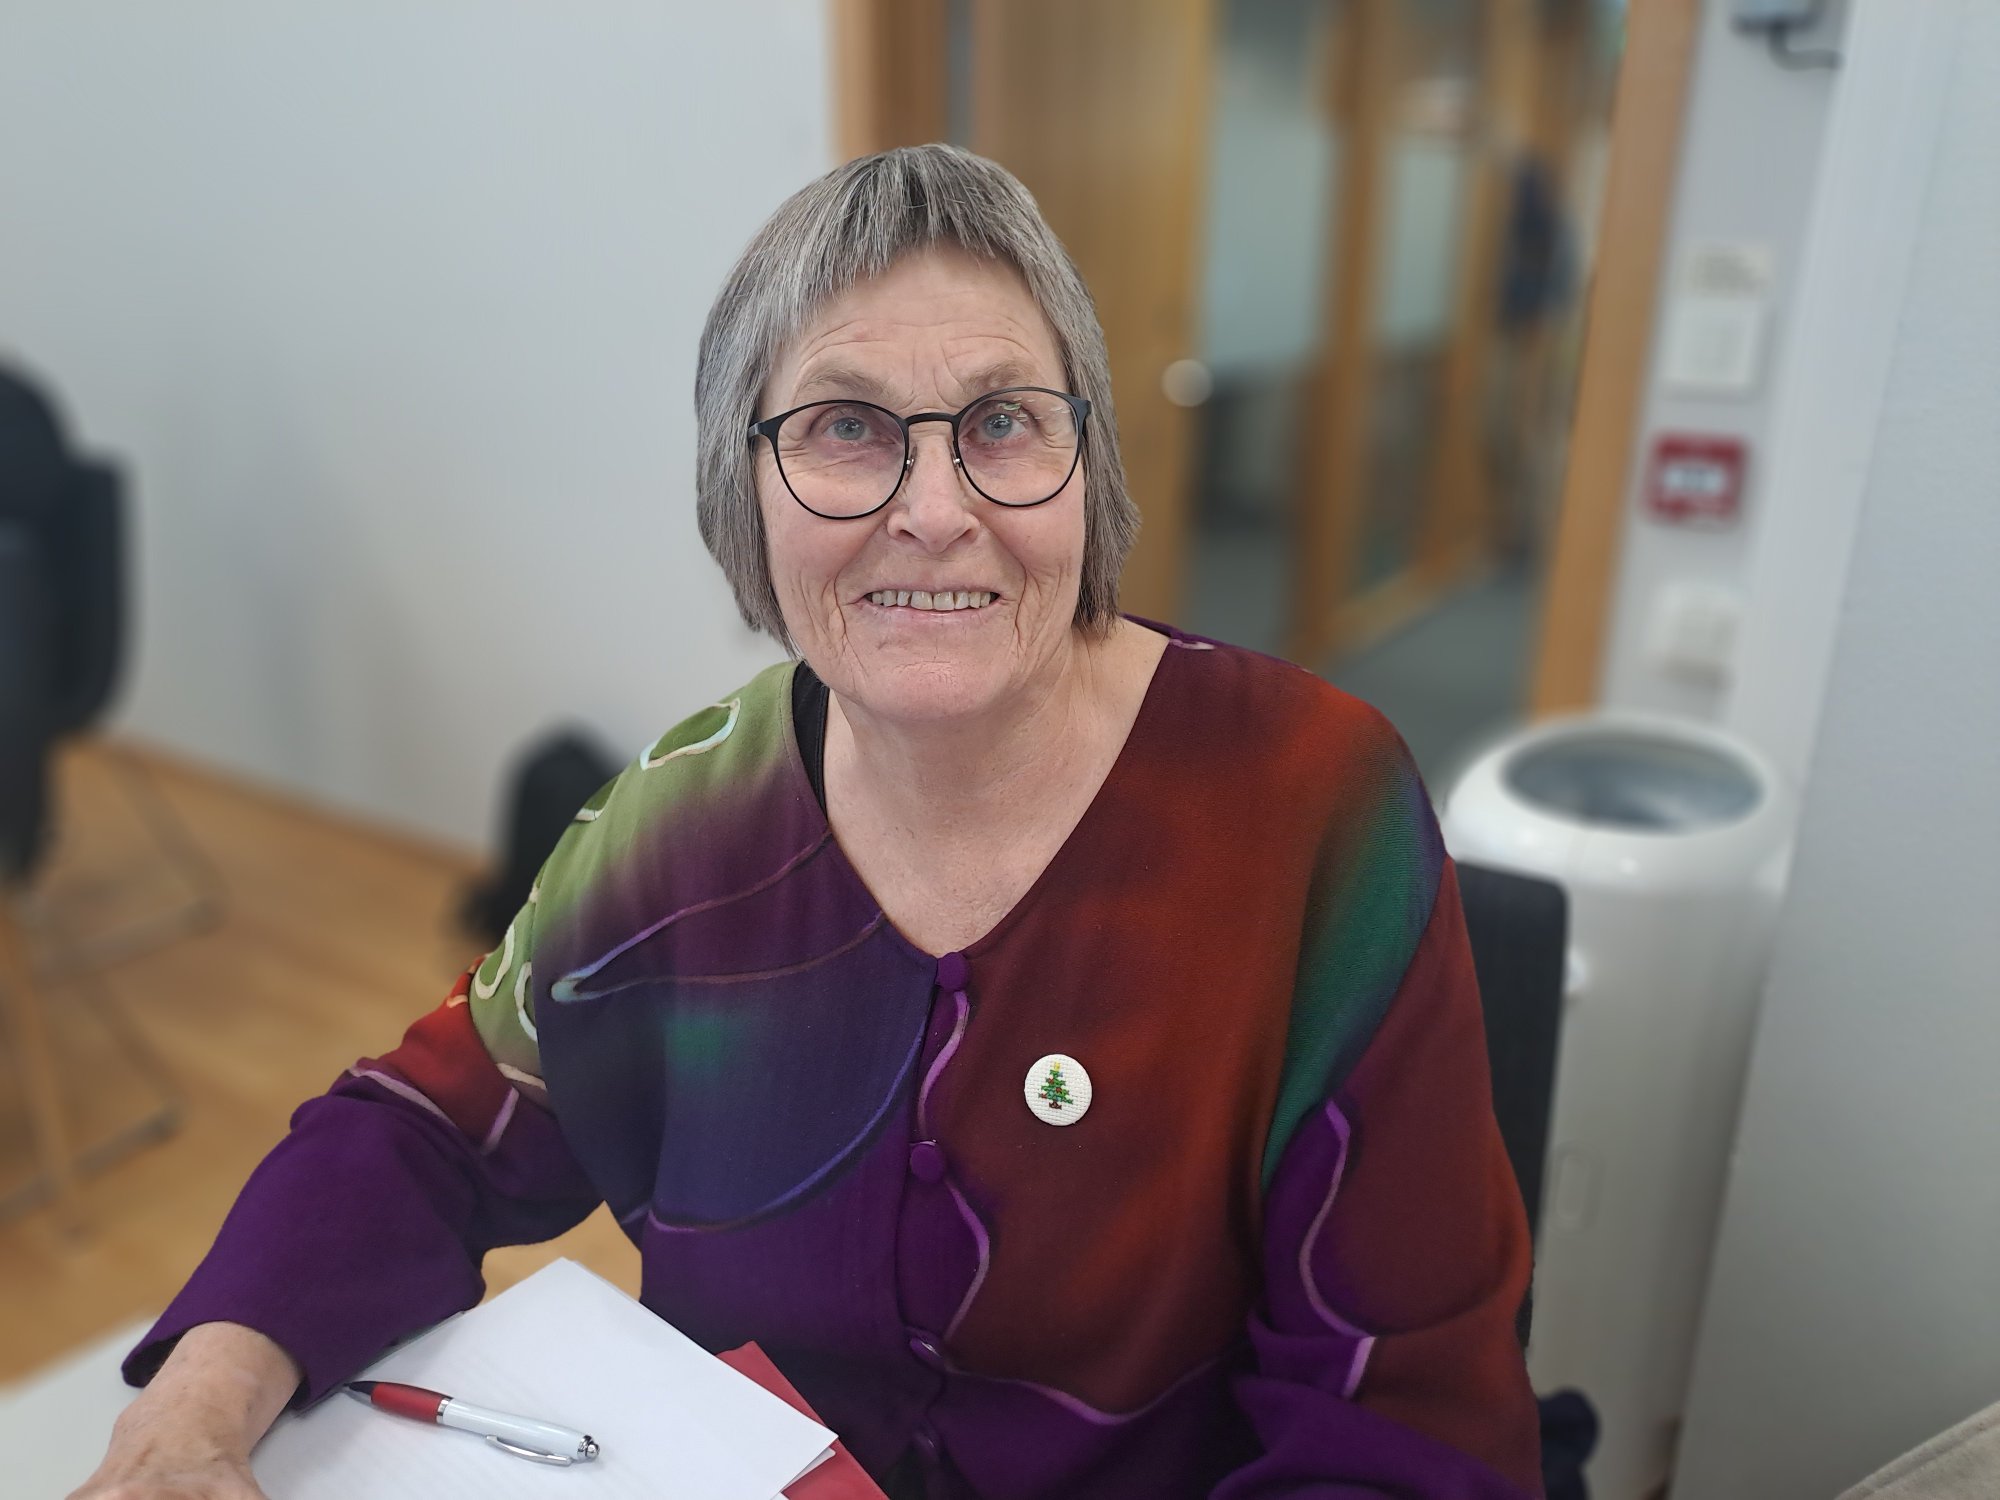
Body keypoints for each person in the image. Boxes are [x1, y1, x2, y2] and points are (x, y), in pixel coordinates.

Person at [74, 145, 1541, 1500]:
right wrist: (191, 1411)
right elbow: (425, 1132)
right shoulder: (686, 826)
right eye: (846, 428)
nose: (936, 511)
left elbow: (1398, 1422)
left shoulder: (1305, 805)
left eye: (1003, 422)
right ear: (745, 487)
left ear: (1086, 469)